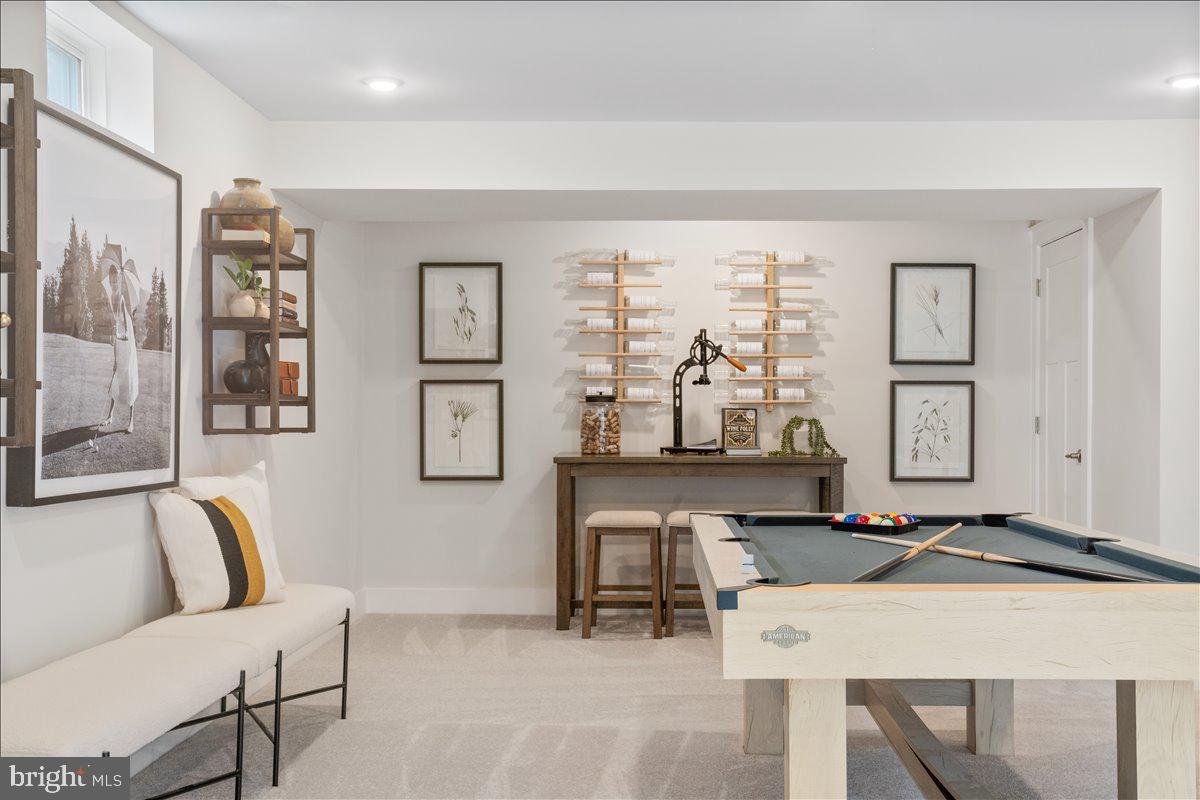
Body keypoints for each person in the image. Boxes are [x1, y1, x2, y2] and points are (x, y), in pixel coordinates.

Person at [96, 243, 144, 434]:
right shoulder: (112, 296)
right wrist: (113, 336)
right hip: (119, 338)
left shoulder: (121, 298)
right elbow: (115, 322)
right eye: (112, 280)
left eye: (116, 280)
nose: (113, 282)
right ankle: (110, 415)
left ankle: (131, 421)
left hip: (127, 340)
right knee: (116, 374)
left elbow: (124, 325)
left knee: (128, 375)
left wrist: (117, 336)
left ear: (119, 280)